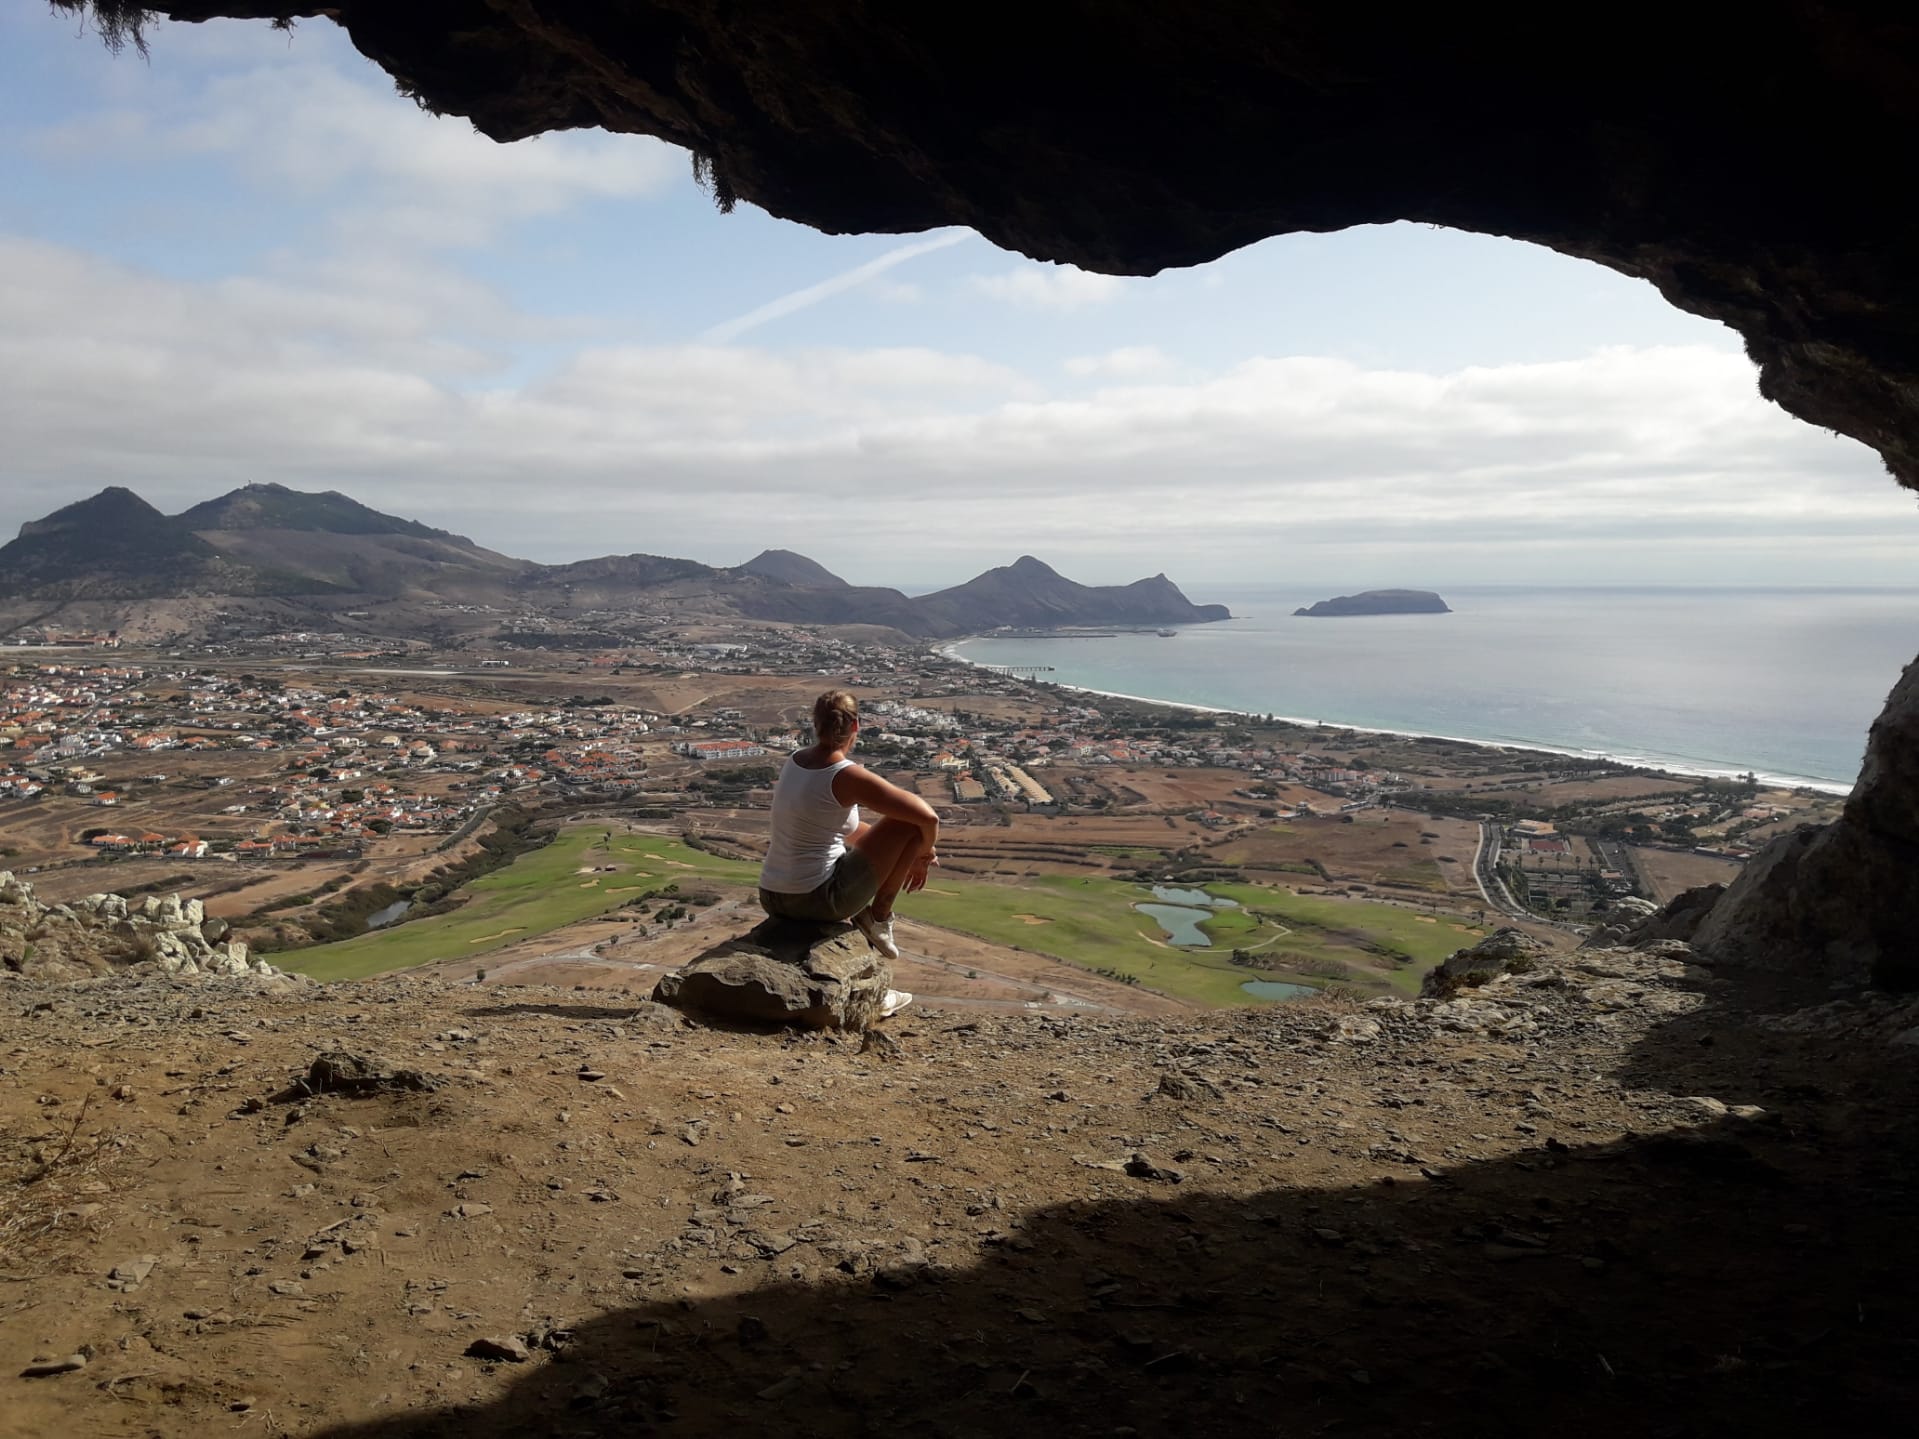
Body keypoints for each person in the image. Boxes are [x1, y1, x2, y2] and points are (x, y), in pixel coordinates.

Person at [758, 689, 939, 967]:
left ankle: (875, 917)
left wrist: (906, 852)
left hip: (771, 894)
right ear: (856, 725)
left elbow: (841, 830)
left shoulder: (795, 761)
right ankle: (877, 917)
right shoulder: (845, 774)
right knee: (910, 825)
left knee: (907, 831)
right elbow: (928, 819)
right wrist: (923, 855)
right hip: (817, 900)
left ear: (815, 723)